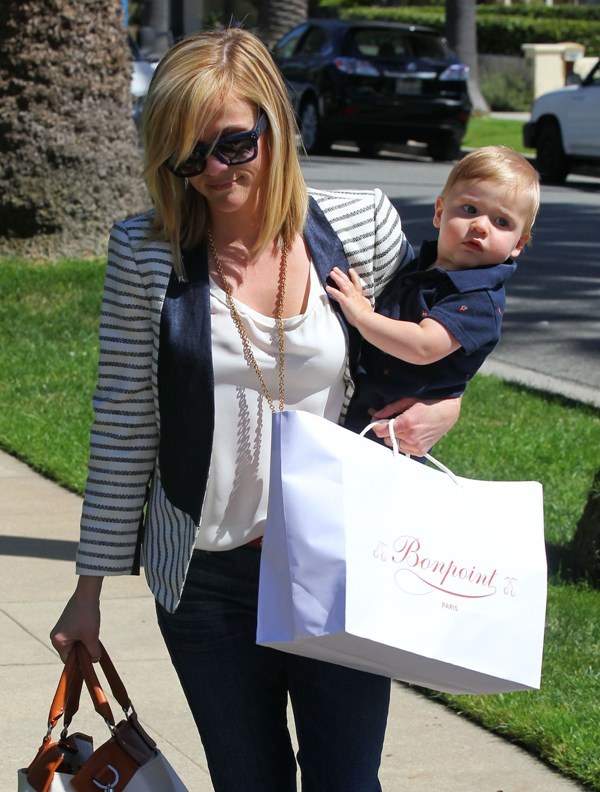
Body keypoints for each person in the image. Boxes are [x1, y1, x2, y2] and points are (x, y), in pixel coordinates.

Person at [50, 27, 462, 792]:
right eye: (188, 156)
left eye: (235, 145)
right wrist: (88, 591)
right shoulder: (146, 251)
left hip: (338, 565)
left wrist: (447, 405)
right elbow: (124, 423)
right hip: (209, 578)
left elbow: (438, 346)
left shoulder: (362, 227)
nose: (214, 170)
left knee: (346, 781)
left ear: (277, 121)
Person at [328, 146, 540, 434]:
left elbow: (423, 346)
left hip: (391, 429)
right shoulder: (423, 267)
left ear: (519, 243)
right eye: (470, 209)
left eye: (501, 221)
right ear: (440, 212)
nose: (481, 226)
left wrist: (362, 316)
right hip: (361, 406)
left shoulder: (479, 299)